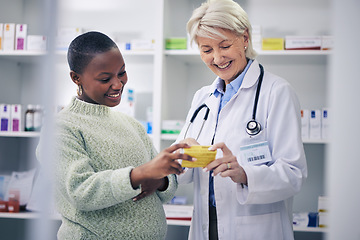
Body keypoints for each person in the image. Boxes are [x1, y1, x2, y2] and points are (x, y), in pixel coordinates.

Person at [36, 31, 193, 240]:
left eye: (122, 73)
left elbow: (166, 189)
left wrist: (161, 179)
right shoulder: (61, 128)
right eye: (105, 78)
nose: (118, 84)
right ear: (76, 78)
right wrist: (140, 174)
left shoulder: (130, 125)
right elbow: (81, 191)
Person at [176, 0, 308, 239]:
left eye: (224, 46)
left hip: (255, 229)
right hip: (207, 226)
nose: (217, 58)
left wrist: (245, 174)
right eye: (207, 50)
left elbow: (293, 174)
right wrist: (184, 157)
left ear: (245, 38)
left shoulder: (276, 92)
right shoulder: (202, 97)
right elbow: (184, 173)